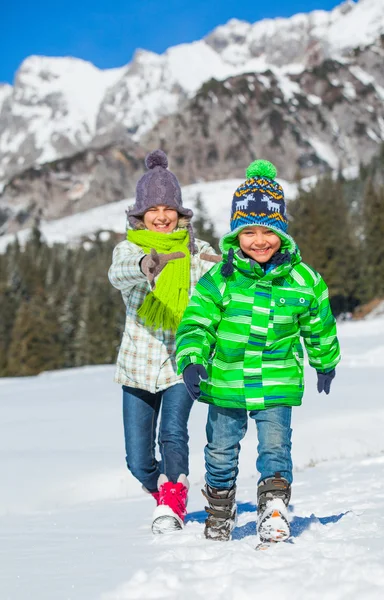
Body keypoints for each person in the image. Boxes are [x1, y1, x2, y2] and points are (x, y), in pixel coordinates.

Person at [175, 159, 340, 543]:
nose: (259, 240)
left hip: (277, 377)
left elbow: (319, 323)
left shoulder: (304, 281)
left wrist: (325, 361)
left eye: (268, 230)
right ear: (236, 234)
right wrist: (192, 359)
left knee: (275, 447)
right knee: (219, 449)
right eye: (248, 231)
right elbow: (197, 322)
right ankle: (219, 509)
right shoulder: (221, 278)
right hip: (226, 378)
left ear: (282, 231)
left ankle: (274, 510)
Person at [108, 149, 216, 534]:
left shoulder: (194, 251)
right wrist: (145, 266)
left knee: (173, 432)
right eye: (152, 208)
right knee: (137, 460)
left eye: (168, 207)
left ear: (180, 213)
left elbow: (216, 268)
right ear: (139, 215)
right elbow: (118, 273)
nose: (161, 215)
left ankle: (173, 495)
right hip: (136, 368)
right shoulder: (130, 250)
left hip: (179, 362)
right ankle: (165, 493)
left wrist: (230, 265)